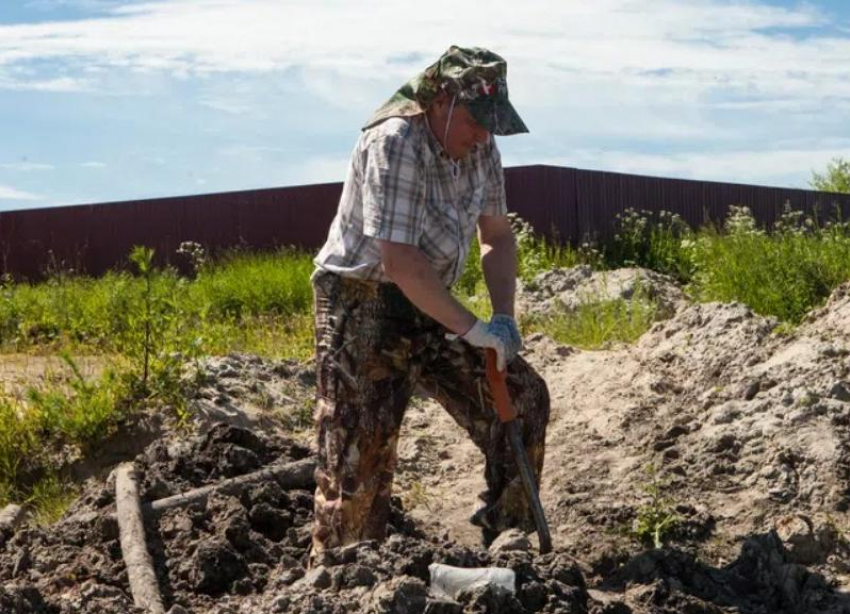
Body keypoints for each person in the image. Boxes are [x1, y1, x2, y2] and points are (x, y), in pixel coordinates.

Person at [310, 45, 550, 557]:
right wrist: (472, 328)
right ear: (440, 100)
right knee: (362, 447)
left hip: (429, 297)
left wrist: (502, 320)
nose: (484, 134)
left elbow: (498, 237)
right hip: (362, 300)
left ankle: (510, 539)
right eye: (475, 120)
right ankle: (342, 574)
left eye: (492, 123)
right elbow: (398, 261)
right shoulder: (395, 141)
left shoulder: (481, 149)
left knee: (523, 396)